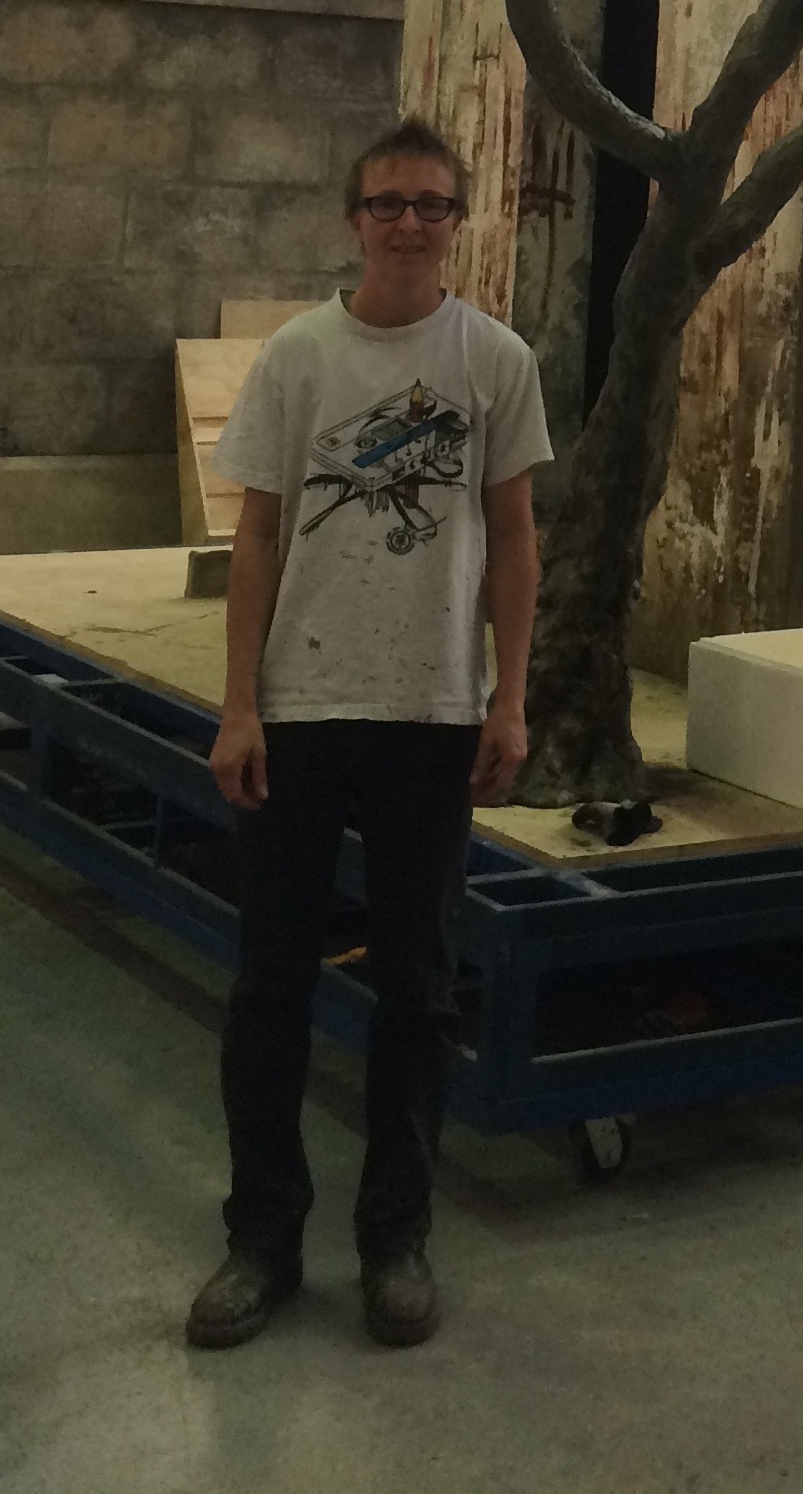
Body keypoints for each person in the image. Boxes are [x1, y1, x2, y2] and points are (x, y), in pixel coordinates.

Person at [184, 115, 549, 1351]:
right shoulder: (298, 358)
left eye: (431, 204)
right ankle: (261, 1239)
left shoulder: (495, 360)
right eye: (387, 202)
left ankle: (396, 1238)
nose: (408, 222)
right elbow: (256, 536)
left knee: (418, 992)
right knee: (270, 989)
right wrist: (240, 703)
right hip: (298, 715)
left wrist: (508, 697)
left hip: (430, 716)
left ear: (457, 224)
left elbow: (515, 537)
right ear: (353, 220)